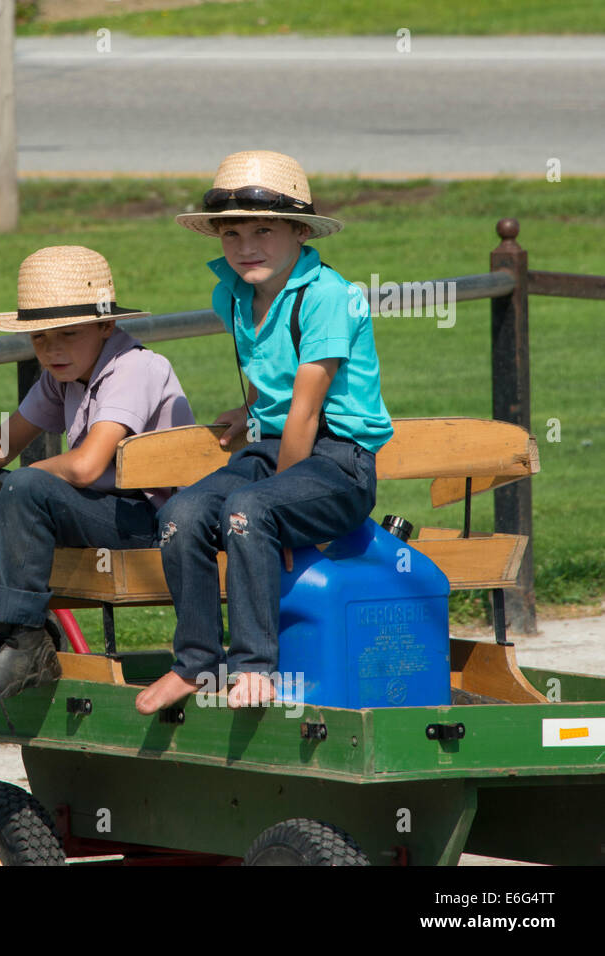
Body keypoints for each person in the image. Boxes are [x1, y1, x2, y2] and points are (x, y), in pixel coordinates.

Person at [134, 150, 392, 714]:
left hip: (338, 463)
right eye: (232, 233)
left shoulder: (328, 296)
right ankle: (196, 661)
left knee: (249, 508)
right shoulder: (230, 293)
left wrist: (276, 503)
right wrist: (245, 406)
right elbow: (269, 369)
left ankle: (254, 667)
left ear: (299, 231)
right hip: (271, 447)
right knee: (180, 514)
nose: (246, 246)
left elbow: (304, 411)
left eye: (263, 230)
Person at [0, 245, 194, 703]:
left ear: (106, 324)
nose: (52, 349)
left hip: (151, 525)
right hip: (97, 511)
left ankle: (23, 645)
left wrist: (20, 480)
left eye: (68, 334)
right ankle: (6, 631)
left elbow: (88, 464)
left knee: (27, 484)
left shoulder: (135, 368)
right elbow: (6, 444)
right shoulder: (63, 373)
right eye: (40, 338)